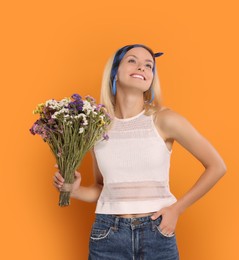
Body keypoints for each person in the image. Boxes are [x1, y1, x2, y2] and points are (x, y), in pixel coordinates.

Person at [53, 44, 227, 260]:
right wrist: (74, 190)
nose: (142, 67)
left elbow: (217, 166)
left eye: (149, 65)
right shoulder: (97, 126)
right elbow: (101, 188)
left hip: (157, 233)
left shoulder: (164, 119)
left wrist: (176, 209)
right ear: (115, 72)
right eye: (132, 60)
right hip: (107, 234)